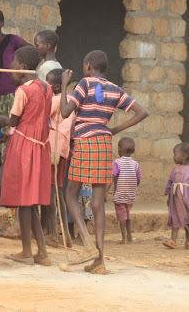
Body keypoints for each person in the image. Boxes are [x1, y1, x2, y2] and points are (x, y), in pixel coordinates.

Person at [60, 50, 148, 274]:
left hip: (84, 143)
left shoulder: (84, 84)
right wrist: (114, 130)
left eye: (83, 65)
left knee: (70, 194)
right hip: (103, 144)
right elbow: (142, 112)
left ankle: (88, 245)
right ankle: (100, 261)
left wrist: (64, 86)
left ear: (89, 66)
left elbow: (64, 112)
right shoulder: (116, 90)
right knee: (98, 203)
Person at [0, 46, 52, 266]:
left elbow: (14, 121)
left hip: (24, 146)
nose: (10, 69)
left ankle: (27, 252)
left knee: (24, 201)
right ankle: (42, 252)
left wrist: (0, 121)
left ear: (22, 67)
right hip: (40, 147)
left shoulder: (24, 91)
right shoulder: (46, 88)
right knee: (31, 202)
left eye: (13, 65)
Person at [43, 68, 75, 245]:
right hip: (63, 148)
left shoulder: (55, 100)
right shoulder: (70, 100)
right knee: (59, 192)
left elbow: (42, 116)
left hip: (53, 145)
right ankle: (66, 237)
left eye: (48, 83)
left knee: (50, 192)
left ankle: (55, 235)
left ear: (55, 86)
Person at [112, 137, 141, 245]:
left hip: (120, 195)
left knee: (121, 217)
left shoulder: (117, 162)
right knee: (127, 215)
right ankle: (129, 236)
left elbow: (113, 177)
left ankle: (124, 238)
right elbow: (138, 179)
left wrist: (106, 191)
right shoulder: (135, 164)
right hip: (130, 196)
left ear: (119, 149)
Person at [164, 142, 189, 250]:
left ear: (184, 156)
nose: (173, 157)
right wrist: (169, 197)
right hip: (175, 200)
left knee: (187, 220)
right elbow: (170, 183)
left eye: (175, 154)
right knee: (175, 219)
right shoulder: (174, 170)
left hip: (186, 200)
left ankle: (188, 241)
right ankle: (173, 241)